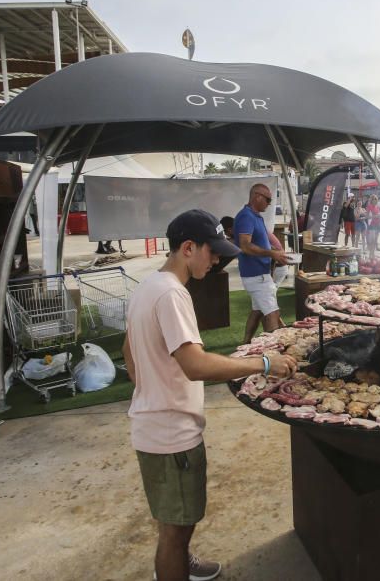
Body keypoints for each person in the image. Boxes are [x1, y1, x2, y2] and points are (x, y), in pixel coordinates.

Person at [123, 209, 297, 581]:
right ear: (188, 247)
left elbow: (128, 349)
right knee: (174, 530)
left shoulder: (149, 286)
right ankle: (175, 566)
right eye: (212, 251)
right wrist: (263, 364)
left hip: (155, 423)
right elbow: (195, 365)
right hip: (171, 435)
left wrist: (150, 391)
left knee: (177, 518)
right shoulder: (171, 295)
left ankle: (182, 563)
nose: (217, 259)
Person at [235, 183, 289, 344]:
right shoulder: (246, 216)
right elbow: (245, 245)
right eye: (268, 199)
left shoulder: (255, 216)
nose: (269, 203)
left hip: (257, 274)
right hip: (256, 275)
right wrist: (271, 253)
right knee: (272, 313)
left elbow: (259, 243)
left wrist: (273, 250)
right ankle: (274, 354)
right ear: (257, 196)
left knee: (257, 311)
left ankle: (245, 344)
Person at [365, 194, 380, 261]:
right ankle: (370, 255)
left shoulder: (377, 207)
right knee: (372, 240)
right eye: (373, 199)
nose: (374, 200)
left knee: (375, 241)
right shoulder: (369, 206)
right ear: (371, 200)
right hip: (371, 225)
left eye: (375, 199)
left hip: (377, 224)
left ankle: (373, 254)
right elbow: (367, 217)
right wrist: (374, 216)